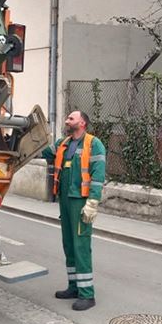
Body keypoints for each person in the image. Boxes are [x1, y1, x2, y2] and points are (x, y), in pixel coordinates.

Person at [42, 110, 106, 311]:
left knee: (81, 246)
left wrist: (92, 203)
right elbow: (43, 152)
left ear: (83, 123)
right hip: (66, 201)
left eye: (71, 118)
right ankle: (73, 287)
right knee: (69, 245)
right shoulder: (63, 143)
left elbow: (98, 175)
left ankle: (87, 294)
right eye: (67, 118)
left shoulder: (93, 144)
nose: (67, 121)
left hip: (81, 201)